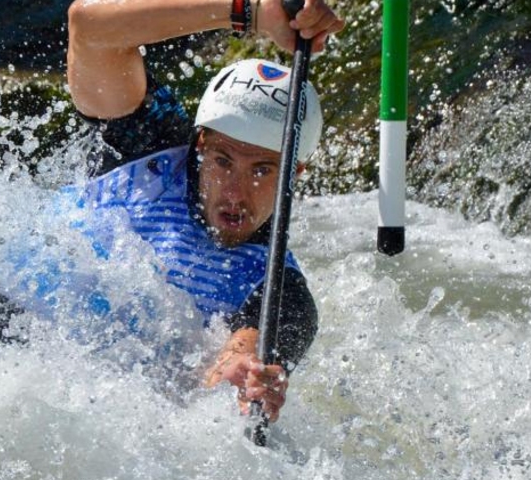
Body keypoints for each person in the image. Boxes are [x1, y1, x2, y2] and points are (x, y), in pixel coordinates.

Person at [62, 0, 346, 423]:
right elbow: (87, 27)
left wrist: (239, 370)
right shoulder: (146, 143)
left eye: (262, 170)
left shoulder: (281, 291)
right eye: (223, 161)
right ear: (200, 145)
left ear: (294, 174)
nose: (235, 192)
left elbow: (239, 354)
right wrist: (249, 11)